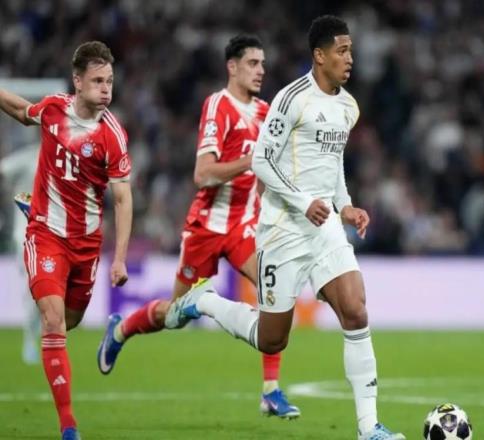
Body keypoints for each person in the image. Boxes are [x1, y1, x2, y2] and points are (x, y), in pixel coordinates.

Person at [164, 16, 406, 440]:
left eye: (351, 50)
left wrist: (345, 206)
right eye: (342, 51)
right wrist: (302, 201)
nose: (350, 58)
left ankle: (369, 428)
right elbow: (261, 161)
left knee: (356, 310)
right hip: (282, 229)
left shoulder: (348, 107)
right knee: (272, 339)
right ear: (320, 55)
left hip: (324, 227)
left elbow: (332, 165)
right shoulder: (291, 99)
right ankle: (205, 301)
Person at [97, 34, 299, 419]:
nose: (261, 70)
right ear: (232, 67)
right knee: (174, 315)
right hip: (206, 228)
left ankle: (271, 391)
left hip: (244, 226)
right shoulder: (218, 106)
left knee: (275, 287)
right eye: (253, 63)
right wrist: (251, 161)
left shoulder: (266, 113)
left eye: (262, 63)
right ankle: (120, 330)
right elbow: (203, 174)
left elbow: (269, 173)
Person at [0, 41, 133, 440]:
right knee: (53, 320)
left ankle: (108, 333)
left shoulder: (112, 135)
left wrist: (119, 258)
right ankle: (68, 425)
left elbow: (123, 199)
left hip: (86, 244)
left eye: (109, 81)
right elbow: (22, 112)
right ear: (78, 81)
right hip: (46, 234)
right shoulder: (54, 109)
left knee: (68, 320)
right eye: (97, 81)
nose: (106, 89)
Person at [0, 147, 40, 364]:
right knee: (33, 288)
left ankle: (38, 335)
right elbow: (4, 171)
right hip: (26, 235)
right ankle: (30, 341)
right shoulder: (28, 157)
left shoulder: (63, 158)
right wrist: (20, 200)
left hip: (53, 236)